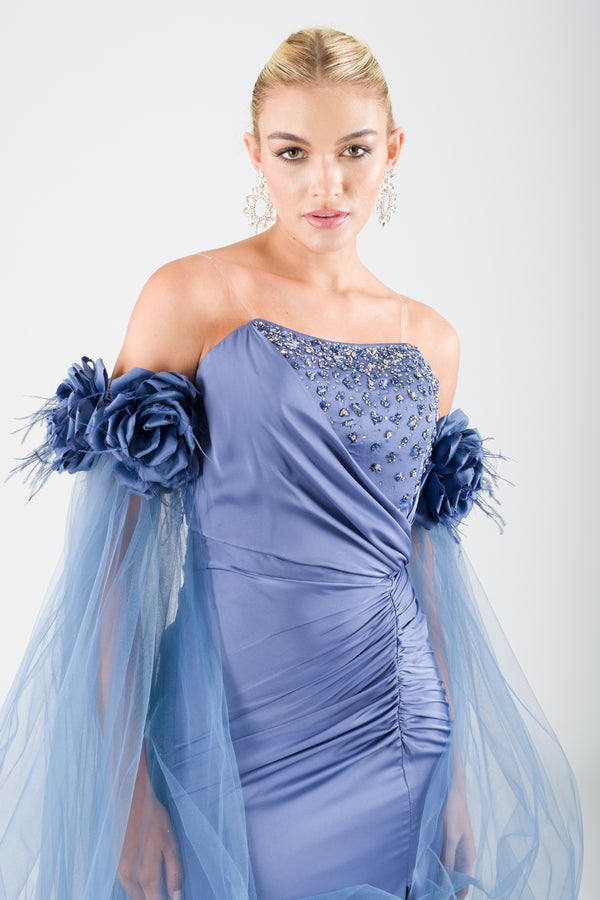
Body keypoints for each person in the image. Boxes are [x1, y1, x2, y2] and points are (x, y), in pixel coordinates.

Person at [0, 26, 583, 900]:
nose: (326, 184)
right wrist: (124, 786)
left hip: (398, 731)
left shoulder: (430, 340)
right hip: (227, 733)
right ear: (254, 155)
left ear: (393, 150)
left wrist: (459, 768)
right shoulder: (192, 296)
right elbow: (111, 567)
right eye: (293, 152)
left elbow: (425, 565)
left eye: (354, 150)